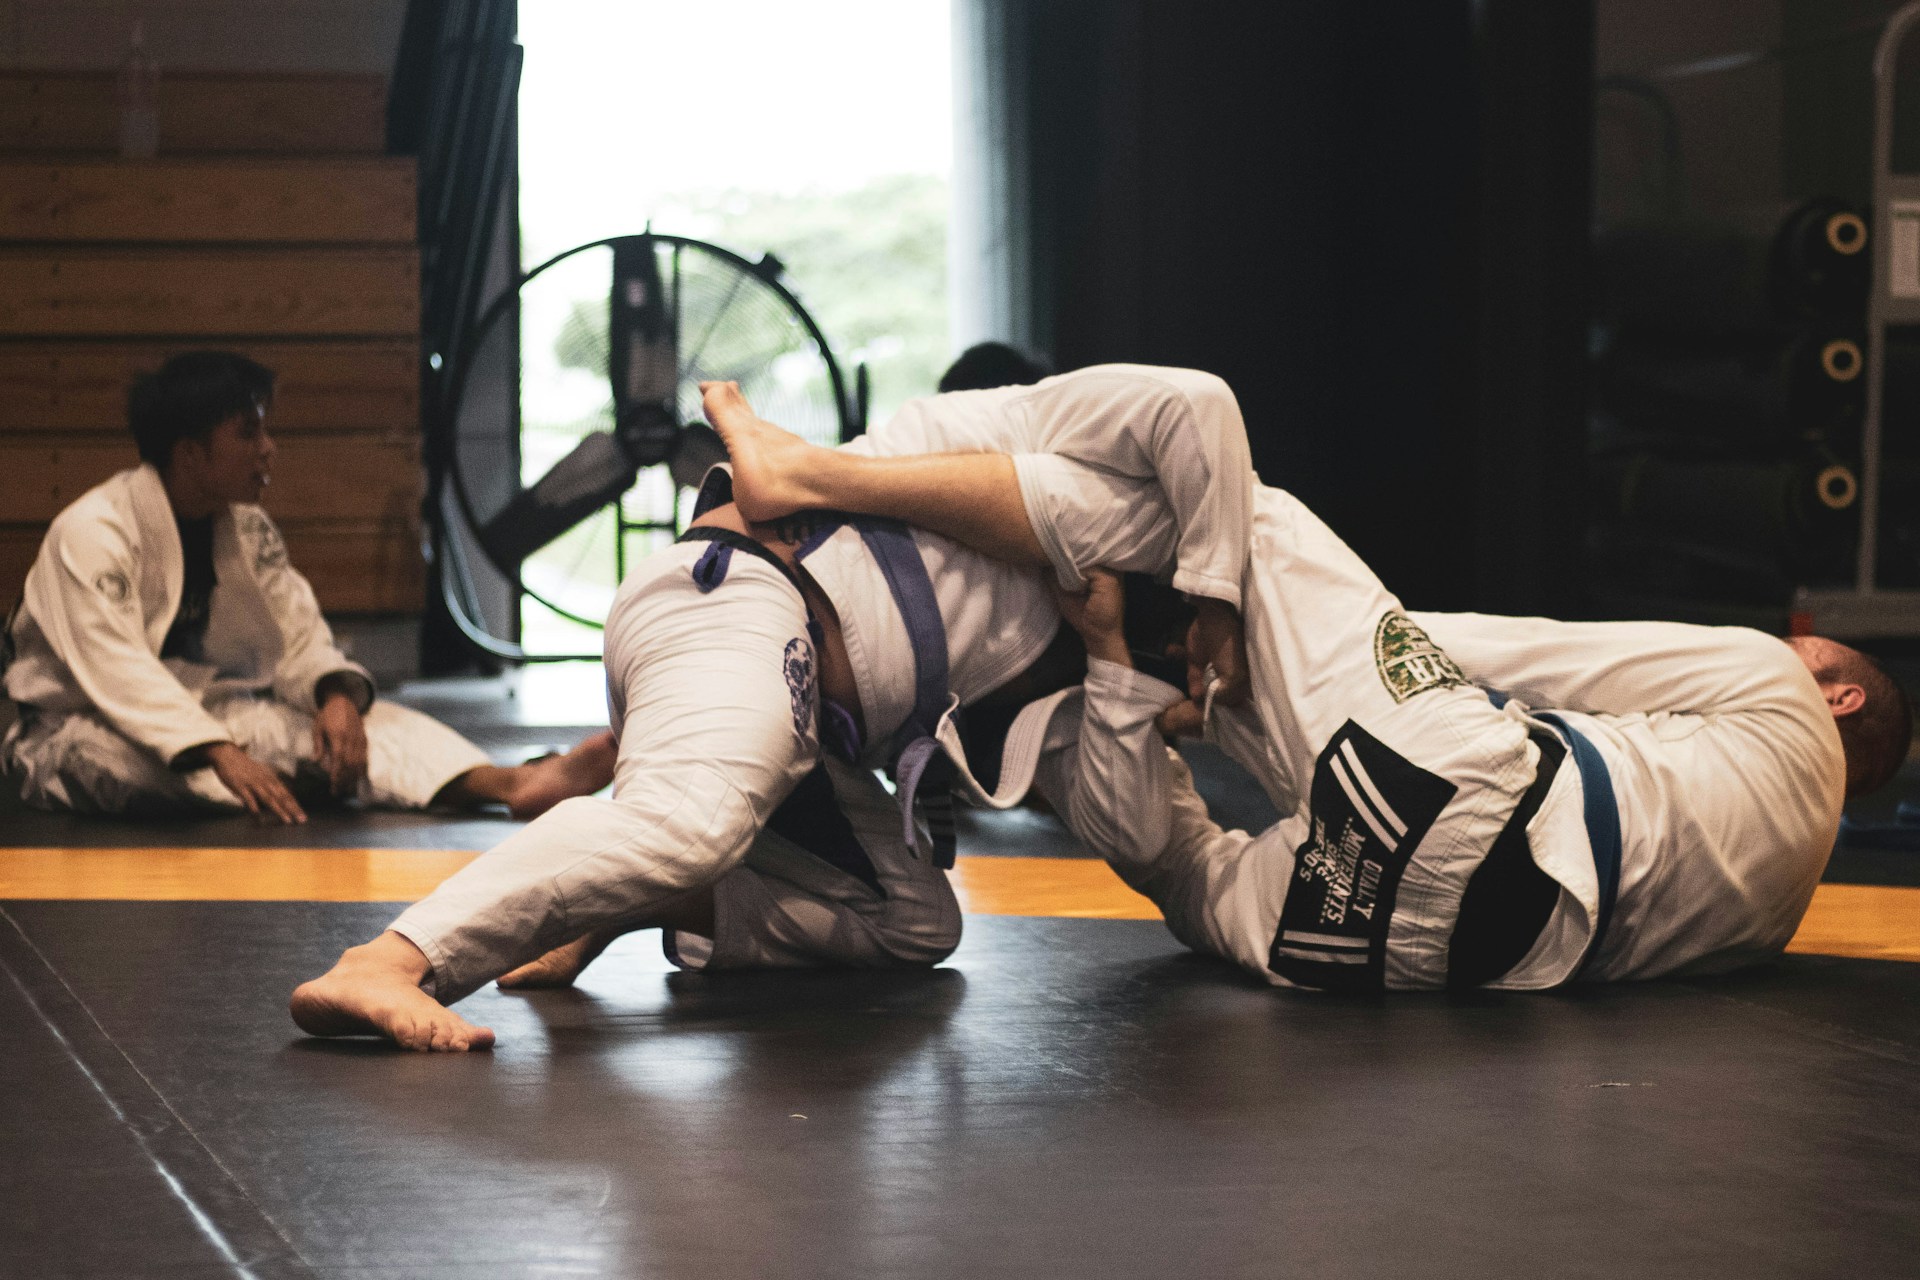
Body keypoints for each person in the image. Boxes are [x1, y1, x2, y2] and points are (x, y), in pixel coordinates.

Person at [716, 425, 1910, 990]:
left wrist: (1330, 626)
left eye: (1811, 646)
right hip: (1424, 950)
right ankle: (1118, 684)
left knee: (1252, 519)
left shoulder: (1776, 691)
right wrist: (1238, 705)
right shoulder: (1780, 907)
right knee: (1186, 873)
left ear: (1841, 689)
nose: (1787, 640)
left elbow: (1546, 659)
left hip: (1471, 787)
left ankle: (822, 480)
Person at [290, 364, 1257, 1050]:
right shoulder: (1001, 436)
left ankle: (646, 898)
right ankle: (390, 960)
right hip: (733, 599)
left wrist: (1118, 666)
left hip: (797, 718)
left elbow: (1135, 833)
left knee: (913, 922)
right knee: (694, 818)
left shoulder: (1090, 643)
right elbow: (1193, 403)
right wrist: (1219, 593)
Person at [1, 352, 615, 825]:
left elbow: (297, 631)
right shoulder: (91, 531)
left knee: (358, 730)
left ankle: (512, 784)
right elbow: (116, 670)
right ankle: (293, 780)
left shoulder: (245, 527)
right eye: (247, 433)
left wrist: (335, 696)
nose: (267, 448)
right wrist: (217, 750)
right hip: (76, 726)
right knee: (119, 768)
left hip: (208, 711)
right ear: (190, 452)